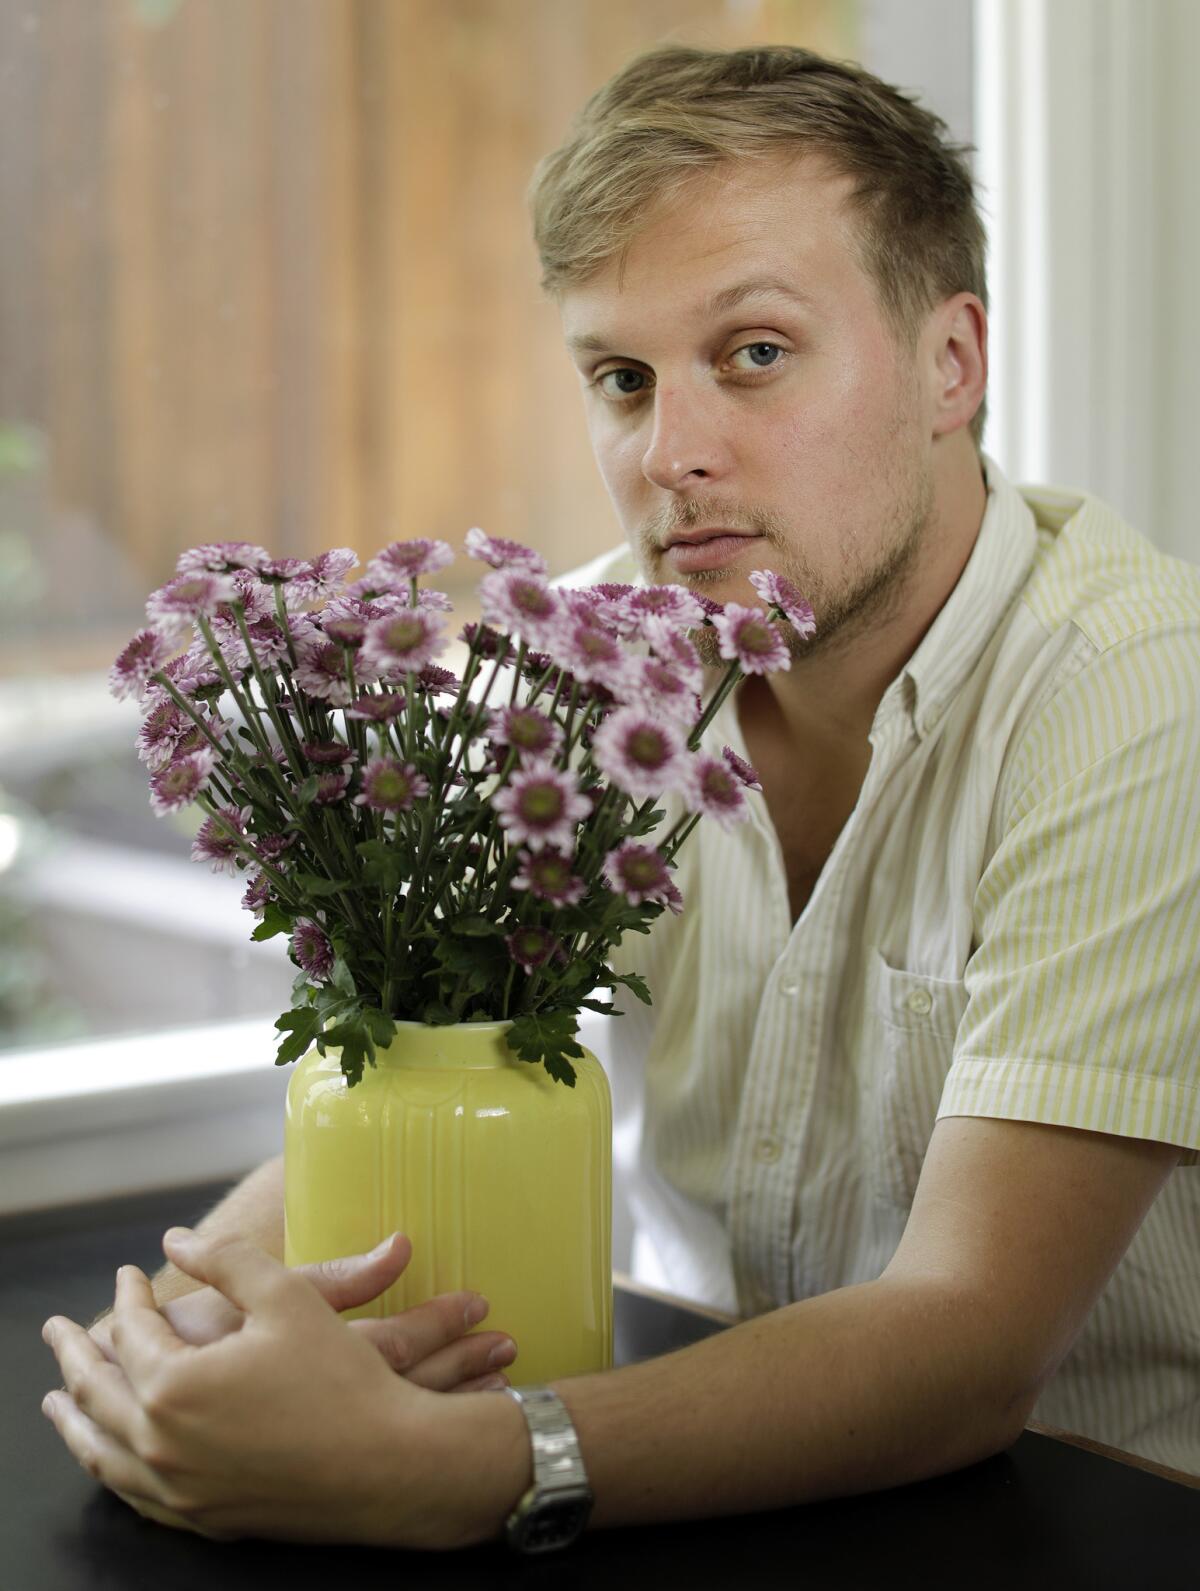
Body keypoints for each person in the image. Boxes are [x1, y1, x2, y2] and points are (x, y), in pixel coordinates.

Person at [41, 43, 1199, 1549]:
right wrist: (192, 1323)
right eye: (622, 377)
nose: (672, 455)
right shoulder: (567, 671)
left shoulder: (1138, 694)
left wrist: (445, 1471)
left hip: (1093, 1517)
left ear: (950, 362)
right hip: (686, 1466)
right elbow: (413, 1083)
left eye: (756, 354)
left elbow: (969, 1344)